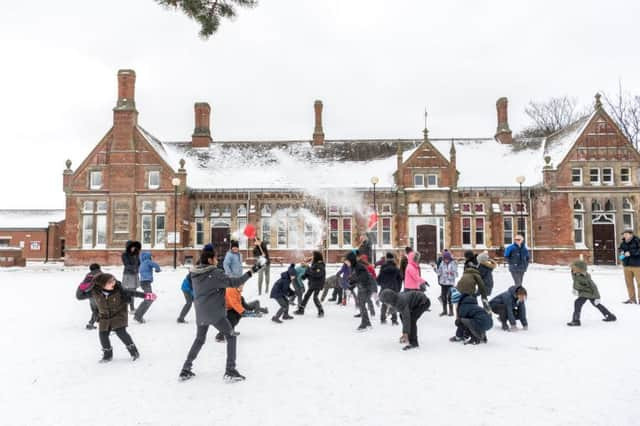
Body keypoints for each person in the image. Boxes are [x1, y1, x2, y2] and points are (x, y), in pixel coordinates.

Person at [179, 249, 262, 382]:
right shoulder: (214, 273)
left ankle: (185, 369)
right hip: (215, 313)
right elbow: (236, 282)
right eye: (216, 258)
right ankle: (230, 370)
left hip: (201, 312)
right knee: (231, 336)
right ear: (210, 260)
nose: (218, 260)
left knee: (199, 339)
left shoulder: (194, 273)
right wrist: (254, 269)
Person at [90, 273, 156, 362]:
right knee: (103, 335)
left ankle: (134, 352)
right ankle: (107, 355)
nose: (113, 283)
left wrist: (146, 295)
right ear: (102, 285)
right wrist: (85, 284)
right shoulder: (95, 292)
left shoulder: (119, 290)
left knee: (121, 333)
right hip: (104, 317)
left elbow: (133, 293)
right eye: (110, 282)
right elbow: (80, 295)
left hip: (119, 315)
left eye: (113, 280)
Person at [567, 260, 616, 326]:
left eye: (574, 268)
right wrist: (575, 289)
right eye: (572, 268)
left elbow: (594, 287)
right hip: (583, 292)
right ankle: (610, 316)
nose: (572, 270)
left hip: (590, 293)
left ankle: (576, 321)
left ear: (580, 269)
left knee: (578, 303)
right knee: (596, 305)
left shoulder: (586, 278)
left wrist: (597, 297)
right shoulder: (575, 274)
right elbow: (575, 281)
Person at [347, 251, 374, 331]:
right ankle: (368, 323)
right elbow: (357, 278)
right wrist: (351, 283)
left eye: (347, 261)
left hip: (366, 287)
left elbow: (363, 278)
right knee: (361, 305)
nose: (347, 263)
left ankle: (364, 324)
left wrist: (353, 280)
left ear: (351, 260)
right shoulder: (354, 267)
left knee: (362, 306)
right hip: (362, 287)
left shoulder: (359, 266)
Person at [295, 251, 326, 317]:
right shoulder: (314, 264)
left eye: (313, 256)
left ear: (317, 257)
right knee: (306, 296)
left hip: (318, 283)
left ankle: (321, 311)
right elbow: (310, 272)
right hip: (313, 283)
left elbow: (316, 274)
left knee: (315, 297)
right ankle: (301, 310)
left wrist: (308, 267)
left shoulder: (321, 265)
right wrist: (304, 276)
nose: (312, 257)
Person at [134, 252, 161, 324]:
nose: (151, 258)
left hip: (143, 282)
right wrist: (157, 270)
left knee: (148, 299)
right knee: (149, 299)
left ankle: (137, 314)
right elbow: (156, 265)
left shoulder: (142, 263)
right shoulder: (147, 261)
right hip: (146, 283)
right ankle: (138, 316)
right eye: (150, 256)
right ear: (148, 257)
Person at [377, 252, 402, 325]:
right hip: (394, 288)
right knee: (394, 304)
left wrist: (382, 284)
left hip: (384, 288)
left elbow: (378, 279)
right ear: (393, 259)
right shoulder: (396, 268)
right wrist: (398, 288)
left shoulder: (382, 268)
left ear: (386, 259)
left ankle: (383, 319)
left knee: (384, 303)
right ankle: (394, 320)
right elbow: (400, 280)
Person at [76, 263, 102, 330]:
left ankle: (97, 320)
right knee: (97, 310)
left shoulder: (88, 274)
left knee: (94, 309)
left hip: (88, 294)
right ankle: (91, 324)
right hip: (95, 294)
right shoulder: (101, 274)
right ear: (99, 268)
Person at [619, 230, 640, 304]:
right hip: (626, 266)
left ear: (631, 234)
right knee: (629, 283)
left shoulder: (637, 241)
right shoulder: (623, 243)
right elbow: (620, 250)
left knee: (639, 283)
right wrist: (621, 253)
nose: (624, 236)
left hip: (637, 266)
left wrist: (631, 253)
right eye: (623, 235)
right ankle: (632, 299)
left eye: (626, 234)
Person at [434, 251, 457, 316]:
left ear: (449, 258)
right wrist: (435, 269)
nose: (446, 260)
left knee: (450, 297)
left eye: (447, 259)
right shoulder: (442, 263)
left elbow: (456, 274)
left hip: (450, 283)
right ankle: (444, 311)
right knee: (443, 297)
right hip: (443, 283)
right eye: (444, 259)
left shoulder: (453, 264)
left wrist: (450, 273)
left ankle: (451, 311)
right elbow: (439, 272)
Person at [121, 240, 141, 311]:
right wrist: (135, 268)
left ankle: (131, 307)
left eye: (134, 247)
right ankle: (129, 308)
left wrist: (138, 268)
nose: (133, 248)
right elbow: (126, 265)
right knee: (129, 292)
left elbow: (139, 263)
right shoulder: (124, 254)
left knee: (134, 291)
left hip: (135, 275)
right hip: (128, 275)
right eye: (131, 247)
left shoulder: (136, 254)